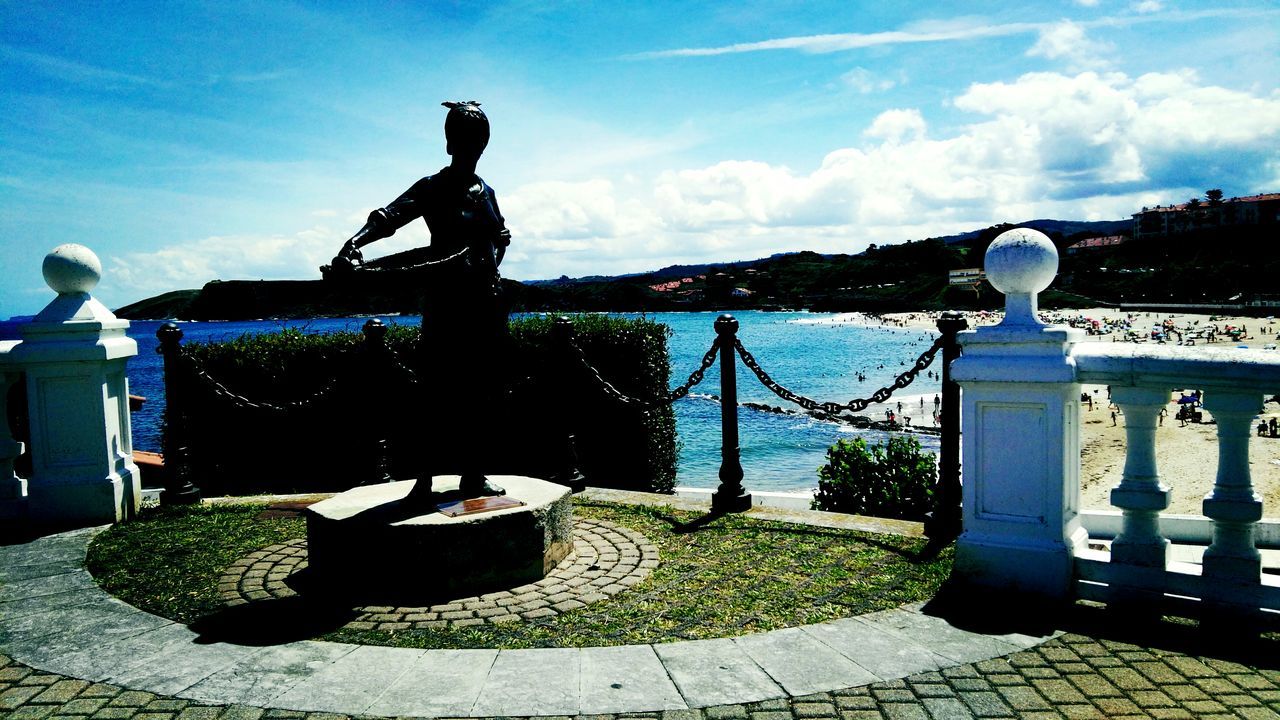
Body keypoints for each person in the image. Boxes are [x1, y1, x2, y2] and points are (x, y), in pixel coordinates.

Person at [326, 101, 511, 503]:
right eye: (465, 139)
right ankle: (423, 478)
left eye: (478, 140)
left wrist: (496, 252)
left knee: (481, 393)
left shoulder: (488, 193)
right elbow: (388, 217)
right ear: (449, 143)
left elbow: (498, 238)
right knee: (435, 392)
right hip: (446, 304)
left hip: (486, 304)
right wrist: (352, 246)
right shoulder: (433, 187)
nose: (472, 148)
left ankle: (473, 475)